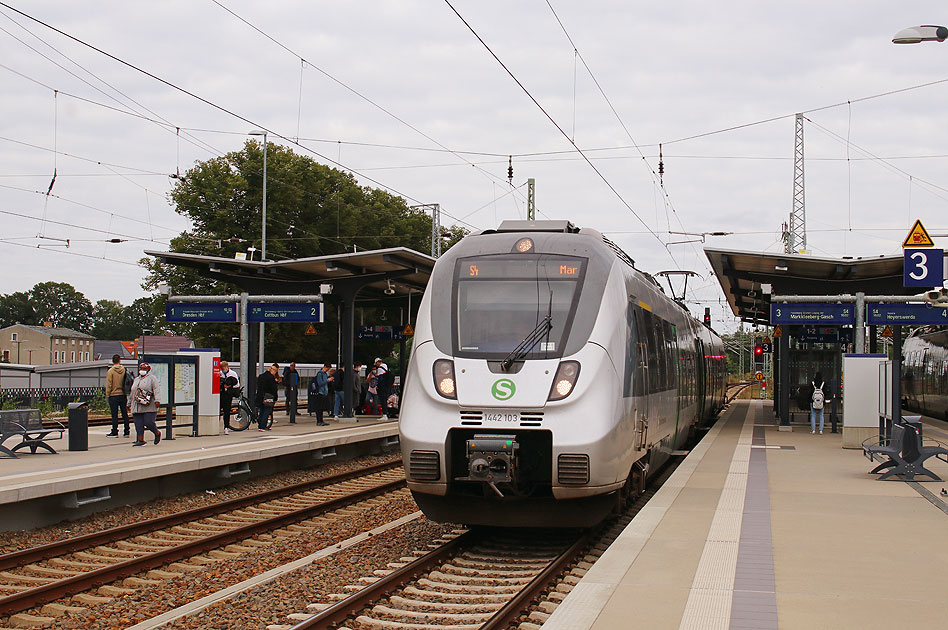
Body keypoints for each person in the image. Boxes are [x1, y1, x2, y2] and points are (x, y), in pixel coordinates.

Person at [128, 362, 161, 447]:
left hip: (148, 405)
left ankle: (157, 433)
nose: (142, 370)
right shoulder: (136, 379)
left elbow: (156, 389)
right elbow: (132, 392)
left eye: (144, 369)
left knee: (149, 422)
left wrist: (157, 400)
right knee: (138, 423)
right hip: (137, 405)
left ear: (148, 370)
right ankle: (140, 440)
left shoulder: (152, 378)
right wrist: (129, 403)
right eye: (141, 368)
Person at [105, 354, 131, 437]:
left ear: (112, 361)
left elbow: (109, 384)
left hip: (113, 395)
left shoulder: (110, 371)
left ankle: (114, 431)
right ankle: (126, 431)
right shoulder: (124, 370)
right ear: (120, 360)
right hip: (123, 394)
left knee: (114, 415)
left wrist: (108, 394)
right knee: (124, 413)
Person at [255, 363, 279, 432]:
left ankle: (260, 426)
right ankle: (263, 426)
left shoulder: (261, 376)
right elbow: (273, 389)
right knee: (267, 411)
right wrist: (275, 397)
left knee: (261, 410)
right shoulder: (271, 378)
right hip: (268, 396)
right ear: (273, 371)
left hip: (260, 396)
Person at [220, 360, 240, 434]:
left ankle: (226, 427)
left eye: (223, 368)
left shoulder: (233, 373)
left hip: (228, 394)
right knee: (218, 410)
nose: (223, 370)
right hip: (221, 394)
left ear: (227, 367)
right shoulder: (219, 373)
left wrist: (229, 385)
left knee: (227, 411)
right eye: (221, 368)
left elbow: (237, 384)